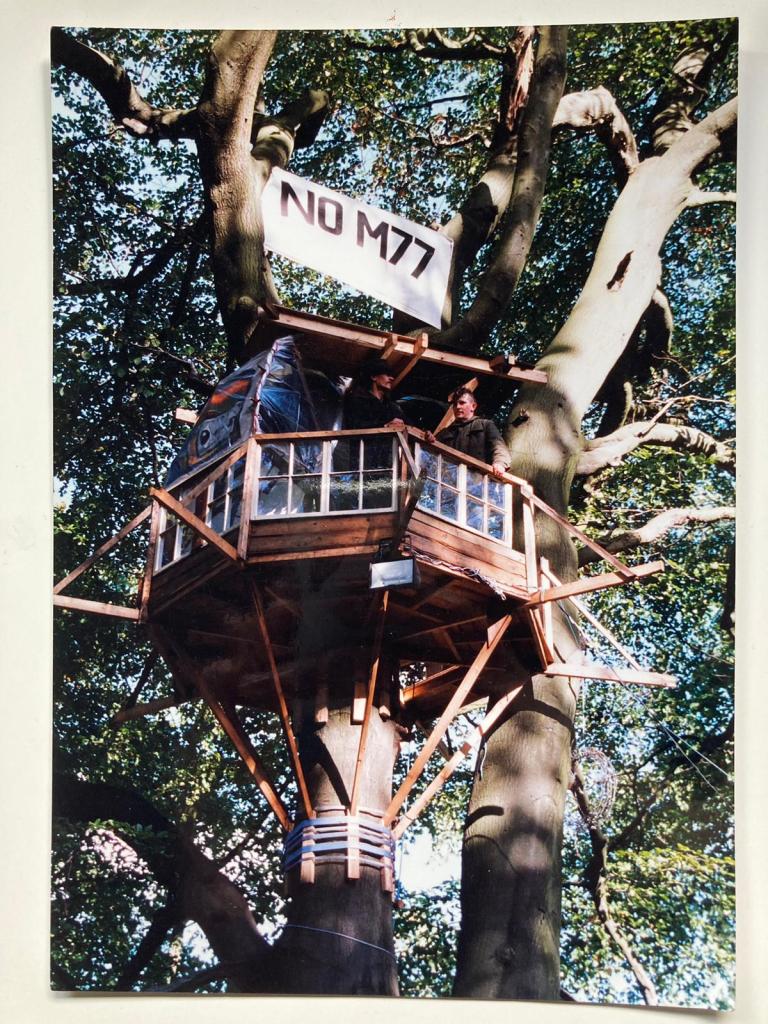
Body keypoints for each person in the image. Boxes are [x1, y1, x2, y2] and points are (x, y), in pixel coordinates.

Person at [426, 387, 510, 478]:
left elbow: (499, 447)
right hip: (449, 484)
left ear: (473, 406)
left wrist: (500, 463)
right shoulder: (444, 433)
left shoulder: (485, 425)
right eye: (455, 404)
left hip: (477, 484)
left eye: (462, 403)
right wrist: (429, 442)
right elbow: (429, 458)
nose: (457, 407)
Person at [342, 358, 406, 430]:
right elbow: (355, 425)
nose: (392, 378)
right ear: (373, 377)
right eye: (387, 375)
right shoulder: (356, 400)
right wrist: (385, 426)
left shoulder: (392, 407)